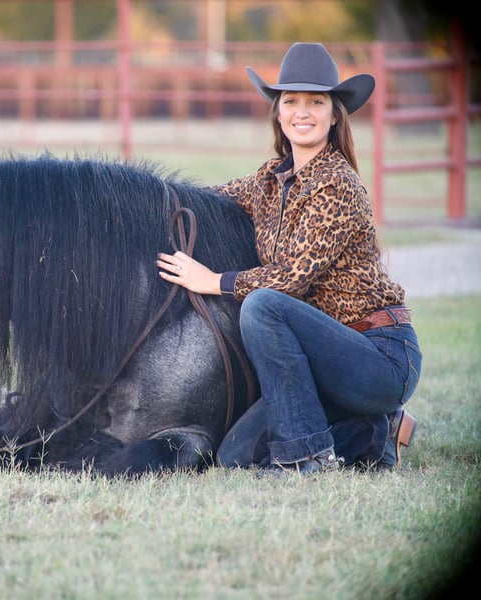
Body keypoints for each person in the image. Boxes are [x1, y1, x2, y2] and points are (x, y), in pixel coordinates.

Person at [156, 42, 422, 476]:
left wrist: (214, 281)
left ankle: (306, 457)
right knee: (236, 455)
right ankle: (375, 430)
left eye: (316, 102)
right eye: (291, 101)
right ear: (278, 113)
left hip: (378, 355)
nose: (302, 112)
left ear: (334, 115)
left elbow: (291, 279)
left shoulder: (338, 184)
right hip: (322, 360)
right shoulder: (268, 180)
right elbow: (207, 201)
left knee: (263, 305)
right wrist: (139, 201)